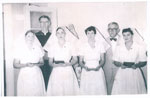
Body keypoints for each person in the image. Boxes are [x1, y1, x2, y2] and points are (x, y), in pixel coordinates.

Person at [111, 28, 147, 94]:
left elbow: (144, 61)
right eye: (124, 35)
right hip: (122, 73)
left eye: (128, 35)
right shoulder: (119, 47)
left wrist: (136, 65)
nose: (126, 37)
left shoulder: (139, 46)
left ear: (132, 35)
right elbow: (115, 61)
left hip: (134, 72)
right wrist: (120, 65)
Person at [46, 27, 79, 96]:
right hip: (56, 71)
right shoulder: (52, 46)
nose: (60, 35)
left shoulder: (70, 45)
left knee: (68, 90)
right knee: (57, 90)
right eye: (58, 33)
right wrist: (58, 65)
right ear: (56, 35)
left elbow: (75, 59)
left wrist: (68, 64)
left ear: (65, 34)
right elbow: (50, 62)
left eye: (62, 33)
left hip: (68, 70)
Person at [13, 30, 45, 96]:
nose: (30, 38)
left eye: (32, 36)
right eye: (28, 36)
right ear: (25, 37)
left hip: (36, 73)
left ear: (34, 38)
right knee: (26, 92)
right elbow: (15, 64)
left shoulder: (38, 48)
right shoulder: (20, 49)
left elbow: (42, 62)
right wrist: (25, 65)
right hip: (25, 74)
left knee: (37, 92)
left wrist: (35, 64)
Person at [79, 26, 107, 95]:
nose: (90, 35)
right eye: (88, 33)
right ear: (86, 35)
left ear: (95, 34)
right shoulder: (82, 46)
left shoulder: (100, 45)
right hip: (86, 70)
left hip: (97, 69)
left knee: (98, 89)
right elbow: (80, 61)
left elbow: (103, 60)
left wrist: (99, 67)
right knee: (87, 89)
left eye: (92, 33)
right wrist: (85, 67)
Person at [103, 22, 121, 94]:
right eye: (110, 29)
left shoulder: (123, 40)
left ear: (118, 30)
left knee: (120, 86)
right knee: (108, 87)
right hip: (107, 68)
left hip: (120, 67)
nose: (111, 31)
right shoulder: (104, 41)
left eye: (114, 29)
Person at [35, 15, 52, 90]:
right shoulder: (35, 36)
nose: (44, 24)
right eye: (42, 22)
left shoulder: (53, 36)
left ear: (49, 23)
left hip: (51, 63)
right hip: (40, 64)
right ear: (39, 23)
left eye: (46, 22)